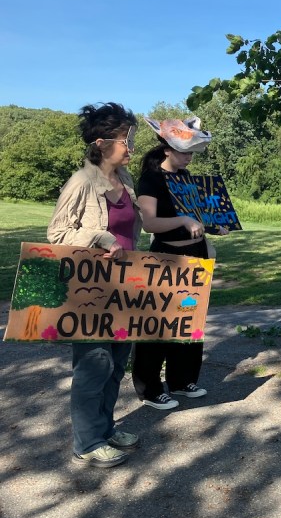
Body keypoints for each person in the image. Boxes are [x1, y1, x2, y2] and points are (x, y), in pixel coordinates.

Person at [47, 102, 142, 468]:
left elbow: (134, 229)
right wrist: (99, 237)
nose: (131, 146)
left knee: (117, 363)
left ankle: (104, 428)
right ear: (102, 144)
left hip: (126, 287)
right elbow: (57, 234)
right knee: (93, 364)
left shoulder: (127, 181)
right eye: (125, 140)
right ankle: (86, 443)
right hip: (90, 291)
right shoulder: (81, 182)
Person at [131, 116, 221, 409]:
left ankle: (182, 380)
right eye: (184, 152)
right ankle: (150, 388)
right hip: (166, 257)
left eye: (192, 153)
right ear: (167, 149)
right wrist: (183, 219)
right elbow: (150, 224)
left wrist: (215, 223)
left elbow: (200, 218)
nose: (189, 158)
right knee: (158, 325)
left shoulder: (188, 179)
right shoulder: (151, 178)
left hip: (196, 256)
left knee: (190, 320)